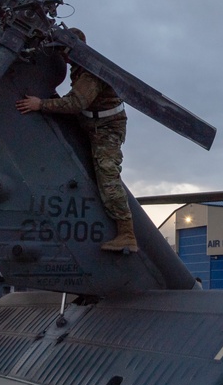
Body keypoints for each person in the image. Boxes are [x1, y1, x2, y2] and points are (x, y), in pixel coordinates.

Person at [15, 28, 137, 253]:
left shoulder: (92, 71)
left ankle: (127, 234)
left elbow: (75, 103)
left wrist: (40, 104)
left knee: (107, 174)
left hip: (107, 128)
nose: (61, 56)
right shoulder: (80, 67)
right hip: (89, 121)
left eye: (62, 51)